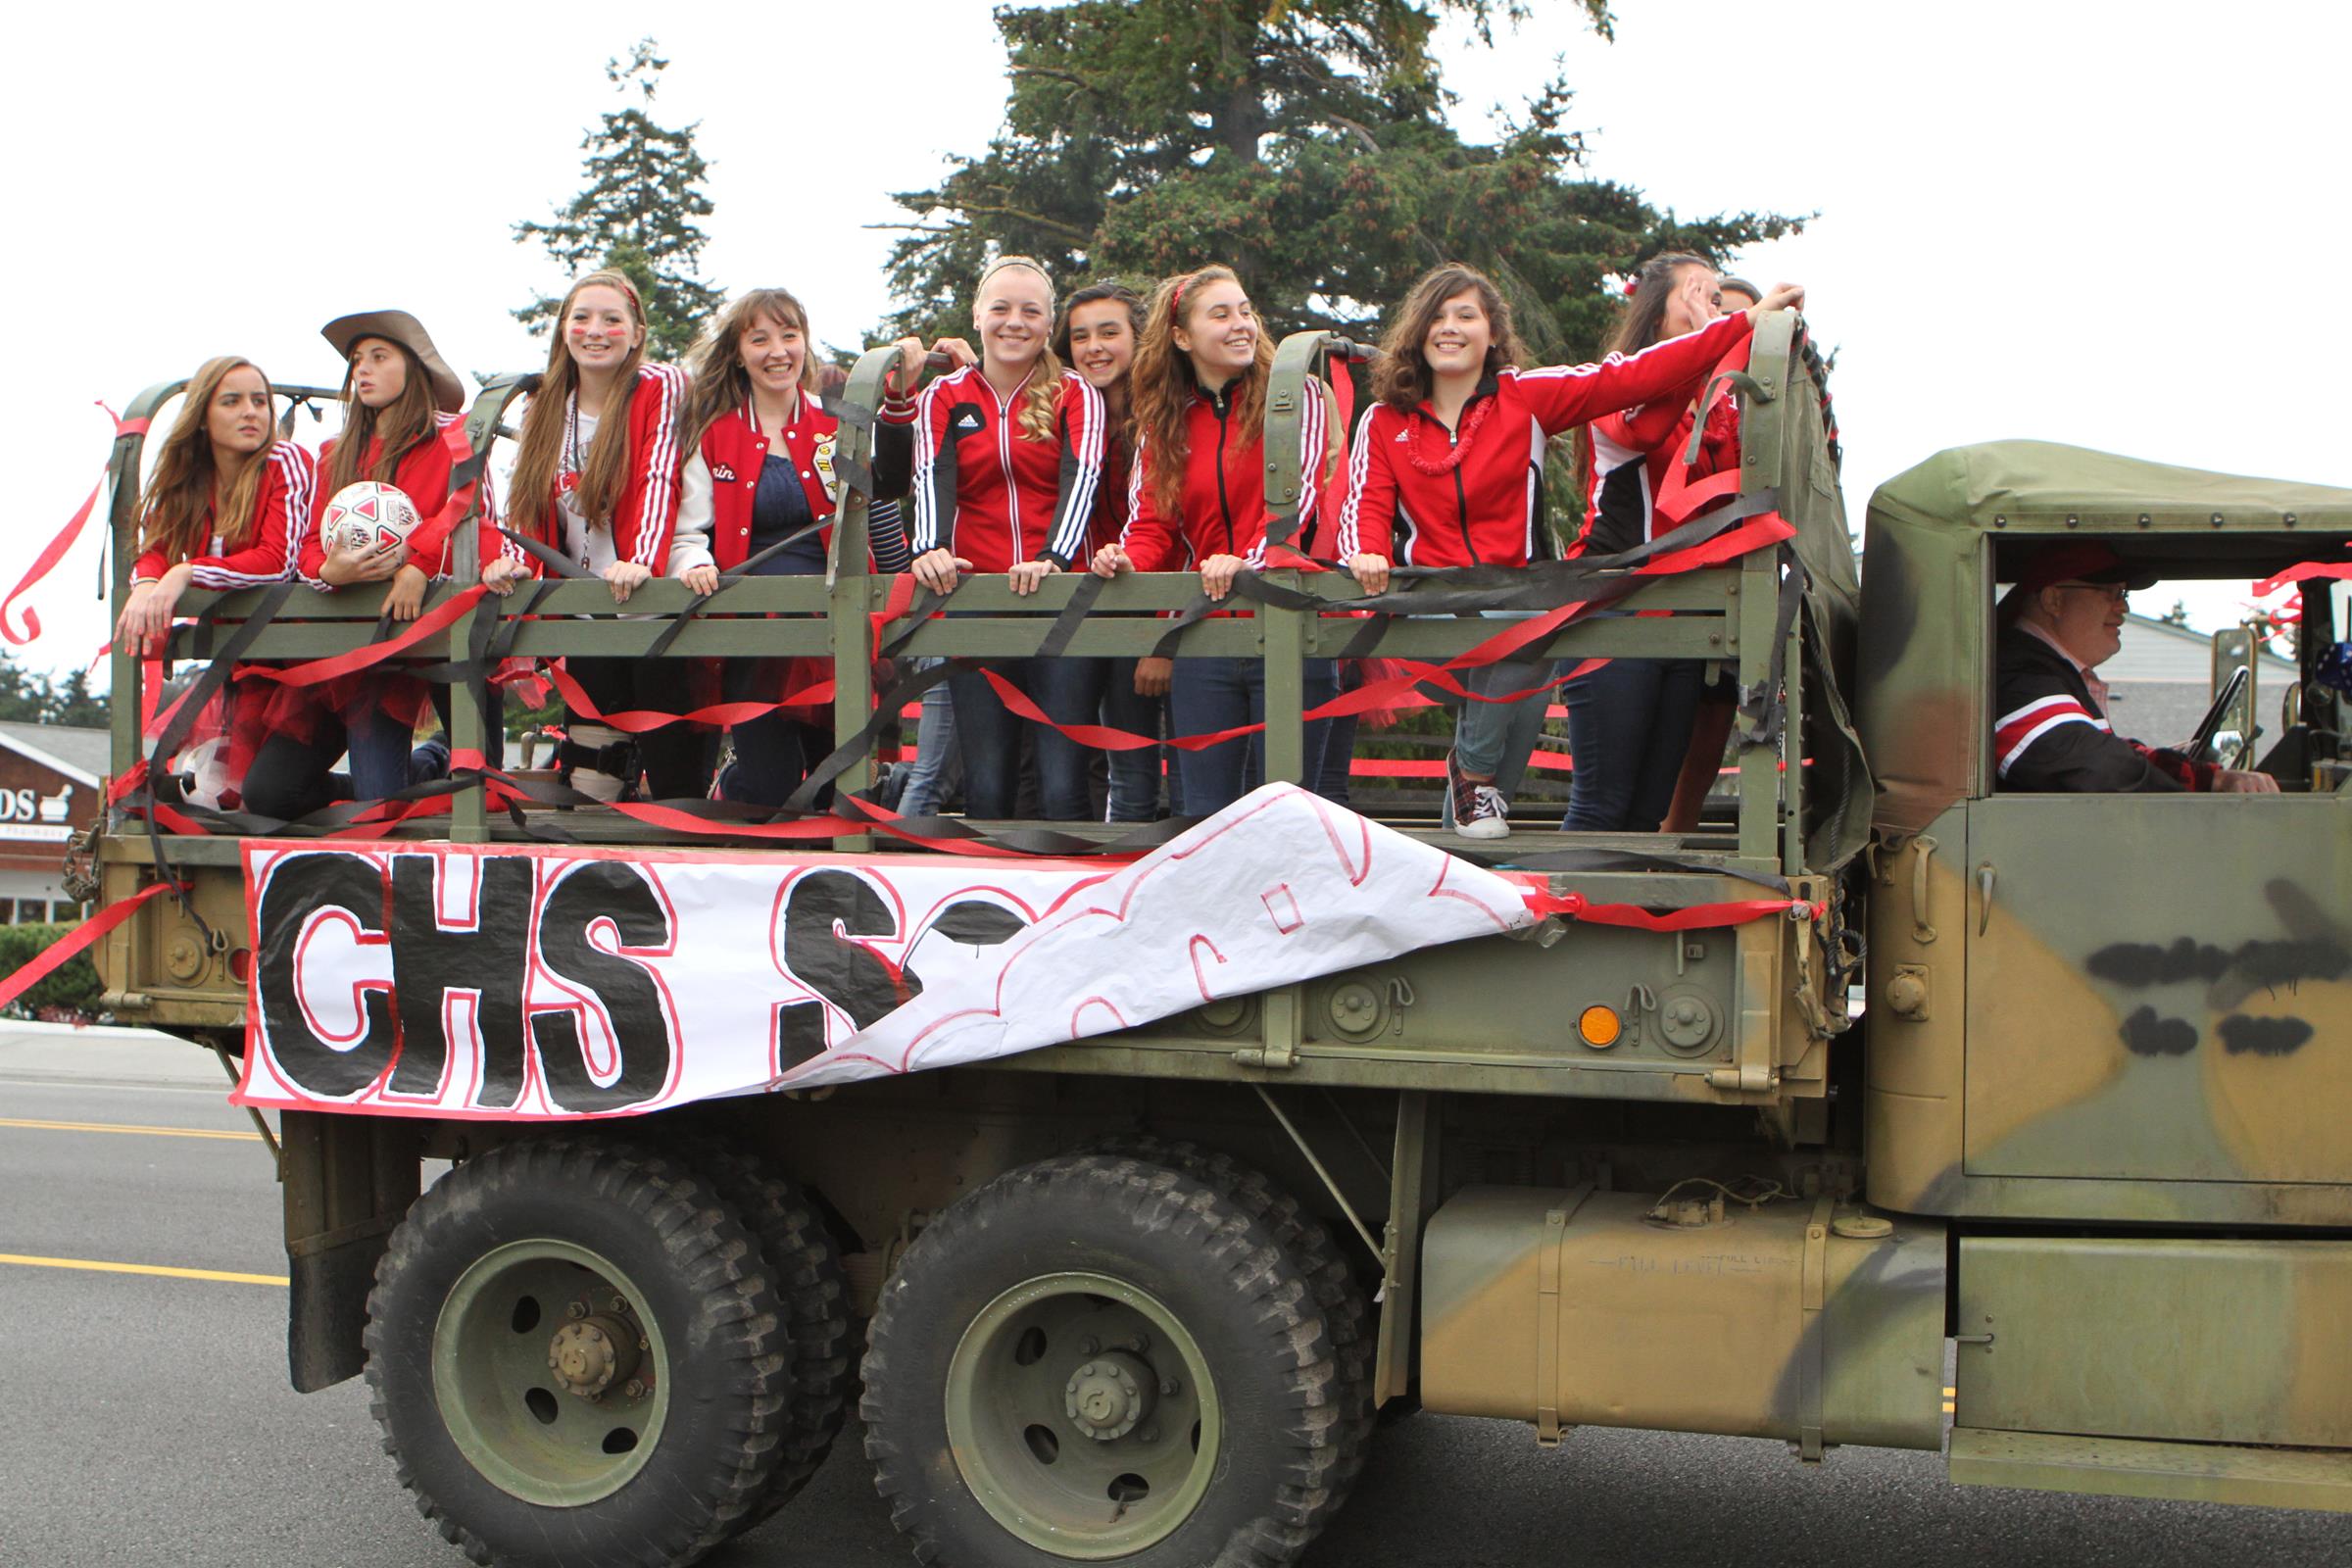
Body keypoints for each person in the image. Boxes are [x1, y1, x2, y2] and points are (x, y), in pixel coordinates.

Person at [1337, 261, 1788, 838]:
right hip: (1430, 608)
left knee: (1491, 787)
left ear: (1493, 334)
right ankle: (1471, 774)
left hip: (1515, 606)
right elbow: (1365, 504)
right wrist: (1366, 551)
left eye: (1466, 315)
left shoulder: (1526, 398)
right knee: (1518, 656)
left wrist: (1740, 322)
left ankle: (1464, 833)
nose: (1449, 327)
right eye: (1437, 316)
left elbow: (1629, 378)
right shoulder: (1384, 419)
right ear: (1417, 330)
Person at [244, 313, 526, 820]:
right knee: (274, 797)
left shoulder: (458, 437)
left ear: (414, 367)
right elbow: (308, 546)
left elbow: (475, 524)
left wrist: (418, 563)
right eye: (356, 361)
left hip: (438, 642)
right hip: (364, 656)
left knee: (479, 794)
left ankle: (438, 756)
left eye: (379, 357)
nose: (362, 370)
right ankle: (424, 768)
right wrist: (330, 572)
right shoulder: (334, 454)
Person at [1564, 254, 1805, 832]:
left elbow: (1756, 483)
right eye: (1696, 294)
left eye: (1716, 298)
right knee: (1602, 807)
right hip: (1616, 610)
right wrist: (1707, 339)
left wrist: (1784, 347)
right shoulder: (1615, 379)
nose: (1711, 307)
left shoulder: (1720, 403)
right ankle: (1551, 898)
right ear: (1655, 312)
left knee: (1648, 813)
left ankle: (1625, 898)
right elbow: (1642, 427)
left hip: (1688, 618)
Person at [666, 288, 934, 805]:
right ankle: (734, 785)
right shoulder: (716, 433)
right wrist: (695, 561)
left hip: (832, 622)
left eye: (789, 336)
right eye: (760, 339)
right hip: (755, 630)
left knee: (838, 783)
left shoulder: (838, 422)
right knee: (771, 789)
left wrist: (900, 589)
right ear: (738, 353)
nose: (777, 351)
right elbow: (689, 531)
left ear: (804, 343)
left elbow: (883, 499)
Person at [1090, 264, 1340, 815]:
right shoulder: (1164, 421)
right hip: (1205, 633)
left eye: (1246, 312)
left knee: (1291, 813)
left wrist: (1245, 560)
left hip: (1290, 625)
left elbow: (1297, 501)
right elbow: (1152, 524)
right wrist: (1125, 559)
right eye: (1221, 314)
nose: (1241, 324)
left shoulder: (1298, 397)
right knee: (1205, 814)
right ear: (1182, 336)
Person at [907, 256, 1107, 818]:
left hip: (1061, 601)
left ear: (1049, 324)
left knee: (1062, 780)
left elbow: (1083, 477)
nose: (1014, 322)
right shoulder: (945, 396)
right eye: (1001, 308)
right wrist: (930, 548)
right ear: (977, 316)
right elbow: (931, 475)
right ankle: (988, 878)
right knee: (987, 780)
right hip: (980, 601)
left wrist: (1054, 558)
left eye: (1030, 311)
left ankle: (1068, 875)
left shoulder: (1076, 393)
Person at [509, 270, 688, 801]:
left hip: (656, 610)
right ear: (564, 328)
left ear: (636, 334)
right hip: (587, 611)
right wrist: (516, 559)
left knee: (674, 783)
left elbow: (659, 475)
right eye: (582, 317)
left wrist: (642, 559)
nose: (594, 330)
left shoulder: (659, 386)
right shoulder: (545, 403)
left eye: (612, 319)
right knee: (593, 786)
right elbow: (527, 502)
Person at [119, 356, 313, 814]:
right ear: (203, 416)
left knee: (267, 792)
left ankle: (424, 768)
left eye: (260, 401)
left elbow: (278, 562)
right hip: (241, 661)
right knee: (223, 789)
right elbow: (156, 548)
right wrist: (147, 583)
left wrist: (186, 573)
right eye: (232, 401)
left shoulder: (286, 460)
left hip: (305, 663)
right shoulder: (187, 477)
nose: (251, 412)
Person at [1031, 280, 1168, 822]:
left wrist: (1163, 633)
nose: (1094, 348)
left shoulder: (1163, 415)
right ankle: (1071, 866)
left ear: (1139, 338)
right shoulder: (1054, 412)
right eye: (1080, 336)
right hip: (1076, 604)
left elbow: (1170, 529)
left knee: (1134, 762)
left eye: (1109, 333)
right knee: (1064, 760)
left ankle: (1130, 866)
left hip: (1143, 603)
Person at [1995, 542, 2278, 793]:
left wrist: (2208, 777)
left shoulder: (2039, 670)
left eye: (2123, 595)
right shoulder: (2015, 674)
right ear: (2053, 600)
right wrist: (2201, 794)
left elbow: (2111, 753)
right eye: (2110, 592)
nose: (2123, 608)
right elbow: (2099, 767)